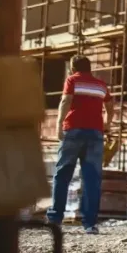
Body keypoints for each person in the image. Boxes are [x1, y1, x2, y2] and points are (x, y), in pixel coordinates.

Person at [47, 54, 115, 234]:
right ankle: (90, 223)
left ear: (72, 68)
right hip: (95, 133)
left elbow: (66, 101)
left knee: (62, 175)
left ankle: (55, 219)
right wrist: (106, 124)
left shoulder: (72, 80)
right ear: (89, 68)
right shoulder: (101, 85)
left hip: (73, 131)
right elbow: (110, 105)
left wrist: (59, 124)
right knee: (92, 178)